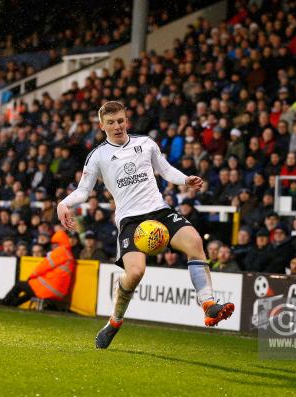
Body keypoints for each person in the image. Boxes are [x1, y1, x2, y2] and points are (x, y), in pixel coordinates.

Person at [56, 101, 234, 349]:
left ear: (126, 120)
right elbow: (84, 191)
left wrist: (185, 179)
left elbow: (165, 170)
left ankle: (208, 304)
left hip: (158, 211)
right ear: (101, 125)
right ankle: (115, 321)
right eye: (111, 122)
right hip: (130, 220)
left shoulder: (145, 143)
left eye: (120, 120)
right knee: (136, 273)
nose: (117, 126)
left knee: (195, 241)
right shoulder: (97, 156)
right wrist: (63, 204)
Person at [0, 230, 75, 307]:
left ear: (58, 243)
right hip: (58, 292)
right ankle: (12, 305)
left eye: (54, 244)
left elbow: (44, 266)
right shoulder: (69, 254)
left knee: (19, 285)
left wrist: (32, 275)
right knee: (30, 292)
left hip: (49, 289)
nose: (53, 247)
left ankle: (2, 303)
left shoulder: (60, 251)